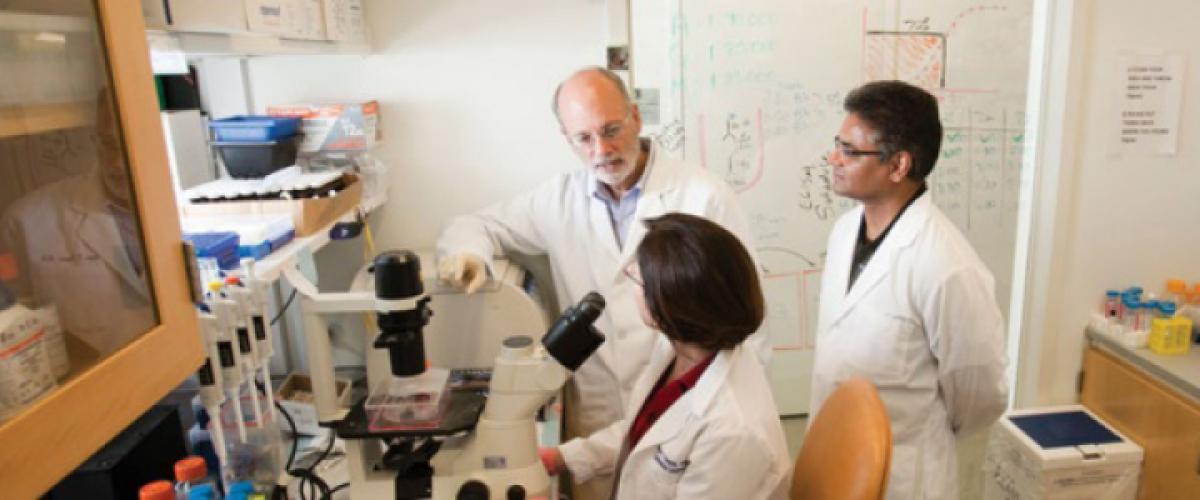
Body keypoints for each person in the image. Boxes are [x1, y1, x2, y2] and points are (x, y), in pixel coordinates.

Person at [436, 67, 764, 499]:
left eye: (612, 130)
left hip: (693, 412)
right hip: (601, 416)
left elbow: (748, 331)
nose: (602, 150)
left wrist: (722, 413)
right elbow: (475, 225)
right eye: (584, 138)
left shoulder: (703, 196)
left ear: (636, 117)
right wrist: (469, 256)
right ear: (565, 138)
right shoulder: (559, 199)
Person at [810, 80, 1008, 499]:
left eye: (850, 151)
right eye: (837, 144)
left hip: (904, 475)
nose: (834, 159)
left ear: (898, 165)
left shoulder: (946, 265)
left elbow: (979, 395)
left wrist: (922, 428)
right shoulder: (846, 231)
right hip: (835, 454)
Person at [547, 213, 790, 499]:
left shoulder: (732, 430)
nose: (632, 286)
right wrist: (562, 457)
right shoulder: (684, 348)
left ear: (670, 301)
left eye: (638, 278)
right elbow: (648, 432)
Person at [1, 90, 156, 357]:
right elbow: (13, 323)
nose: (117, 163)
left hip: (189, 373)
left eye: (131, 145)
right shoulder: (26, 221)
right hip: (96, 385)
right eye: (109, 144)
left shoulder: (189, 209)